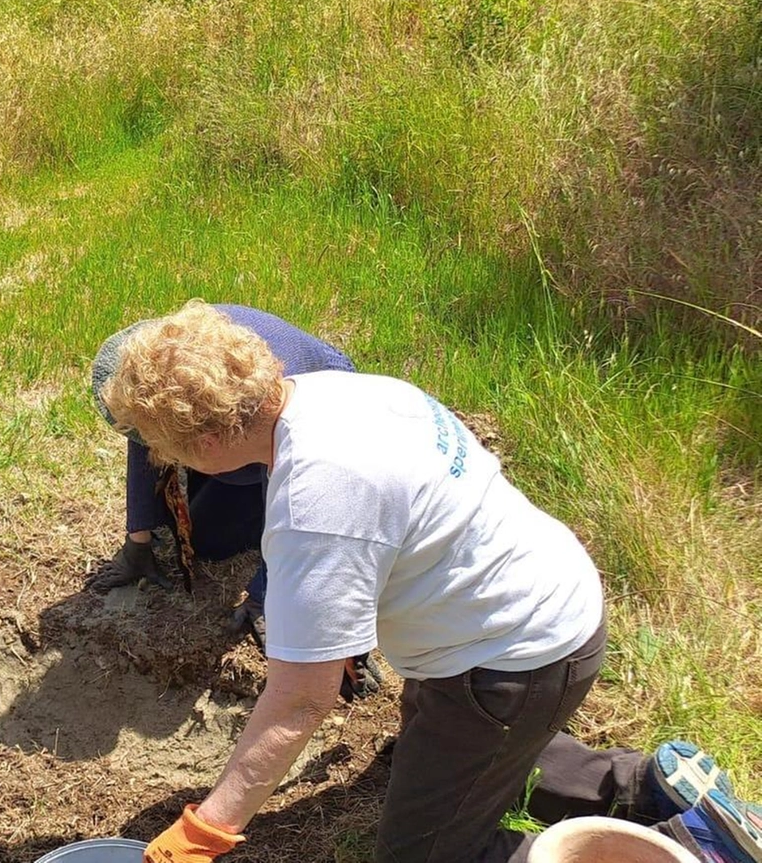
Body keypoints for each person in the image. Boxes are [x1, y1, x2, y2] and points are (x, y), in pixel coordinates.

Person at [97, 302, 762, 863]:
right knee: (450, 745)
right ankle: (651, 785)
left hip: (514, 660)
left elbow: (301, 701)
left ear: (209, 440)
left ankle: (685, 846)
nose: (162, 460)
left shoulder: (316, 502)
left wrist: (205, 828)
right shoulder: (342, 391)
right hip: (548, 599)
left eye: (163, 446)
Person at [89, 305, 379, 701]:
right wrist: (137, 541)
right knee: (207, 542)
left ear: (209, 441)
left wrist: (267, 597)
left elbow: (300, 522)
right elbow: (146, 443)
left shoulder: (294, 435)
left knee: (264, 518)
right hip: (227, 428)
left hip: (275, 434)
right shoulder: (165, 369)